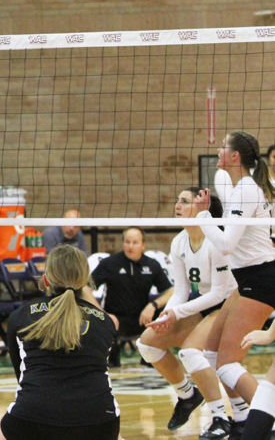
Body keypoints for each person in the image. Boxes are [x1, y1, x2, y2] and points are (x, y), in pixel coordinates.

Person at [0, 245, 120, 440]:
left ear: (45, 279)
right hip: (101, 422)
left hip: (33, 420)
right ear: (85, 281)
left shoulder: (20, 317)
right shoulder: (106, 322)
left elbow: (22, 378)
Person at [193, 131, 275, 440]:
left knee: (227, 364)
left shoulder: (247, 191)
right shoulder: (240, 186)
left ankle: (266, 424)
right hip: (250, 279)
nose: (218, 149)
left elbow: (226, 244)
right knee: (212, 355)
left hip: (260, 279)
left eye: (224, 147)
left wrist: (203, 217)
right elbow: (221, 181)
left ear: (236, 156)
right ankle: (242, 419)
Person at [138, 188, 238, 438]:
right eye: (178, 200)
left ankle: (221, 418)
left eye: (184, 201)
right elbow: (181, 290)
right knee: (146, 344)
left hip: (228, 304)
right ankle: (187, 395)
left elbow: (217, 295)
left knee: (191, 352)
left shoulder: (216, 241)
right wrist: (166, 316)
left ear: (202, 208)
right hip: (201, 304)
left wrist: (176, 313)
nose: (177, 205)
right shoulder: (179, 241)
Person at [90, 227, 174, 346]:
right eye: (127, 242)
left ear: (143, 245)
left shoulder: (151, 265)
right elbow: (85, 288)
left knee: (164, 311)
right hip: (114, 320)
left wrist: (153, 305)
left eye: (135, 242)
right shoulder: (109, 264)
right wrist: (101, 313)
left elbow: (171, 292)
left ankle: (151, 359)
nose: (130, 246)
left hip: (142, 319)